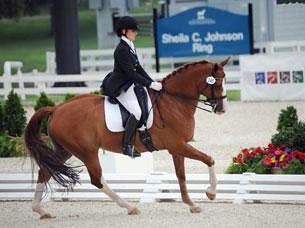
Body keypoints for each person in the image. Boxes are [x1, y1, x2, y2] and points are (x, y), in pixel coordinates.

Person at [105, 16, 162, 158]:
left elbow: (138, 68)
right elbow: (130, 73)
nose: (136, 32)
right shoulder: (121, 50)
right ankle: (127, 146)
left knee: (145, 102)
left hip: (130, 84)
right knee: (136, 112)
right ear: (124, 31)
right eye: (133, 30)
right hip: (120, 86)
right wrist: (149, 84)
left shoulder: (130, 45)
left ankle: (142, 131)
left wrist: (151, 82)